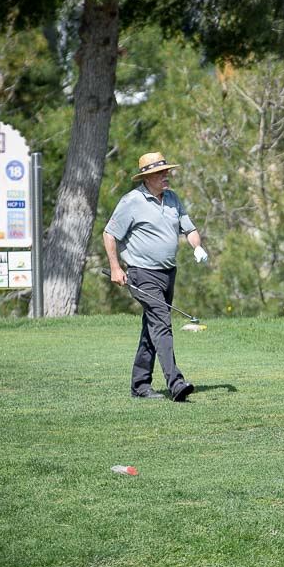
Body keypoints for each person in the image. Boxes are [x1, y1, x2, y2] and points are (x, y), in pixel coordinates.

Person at [103, 151, 209, 402]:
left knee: (151, 328)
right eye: (160, 173)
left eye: (166, 171)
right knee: (161, 324)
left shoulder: (172, 199)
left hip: (168, 273)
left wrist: (197, 246)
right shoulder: (132, 201)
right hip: (142, 274)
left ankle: (140, 385)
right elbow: (110, 234)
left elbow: (190, 229)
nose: (166, 176)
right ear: (147, 177)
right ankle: (176, 383)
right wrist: (116, 268)